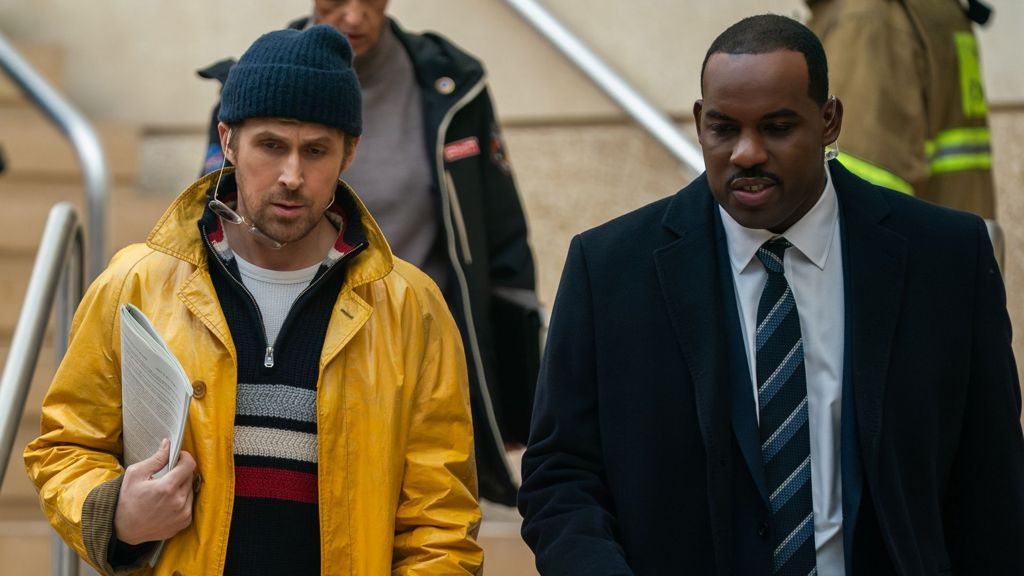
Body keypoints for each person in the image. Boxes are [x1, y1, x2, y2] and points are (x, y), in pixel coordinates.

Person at [518, 14, 1024, 575]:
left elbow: (993, 483)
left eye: (778, 127)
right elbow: (560, 477)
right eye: (723, 128)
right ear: (698, 122)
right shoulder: (610, 268)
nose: (747, 153)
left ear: (829, 120)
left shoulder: (947, 258)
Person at [24, 25, 482, 575]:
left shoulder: (411, 307)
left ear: (349, 152)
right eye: (271, 145)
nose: (292, 176)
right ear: (229, 140)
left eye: (316, 151)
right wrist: (116, 513)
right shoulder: (138, 283)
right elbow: (65, 448)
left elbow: (441, 519)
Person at [199, 0, 541, 507]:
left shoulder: (453, 84)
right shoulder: (251, 84)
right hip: (297, 350)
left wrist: (517, 398)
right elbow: (210, 227)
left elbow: (503, 241)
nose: (355, 17)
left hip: (415, 354)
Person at [806, 0, 997, 218]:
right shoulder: (937, 9)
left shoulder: (867, 20)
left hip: (896, 245)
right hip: (955, 239)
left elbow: (860, 186)